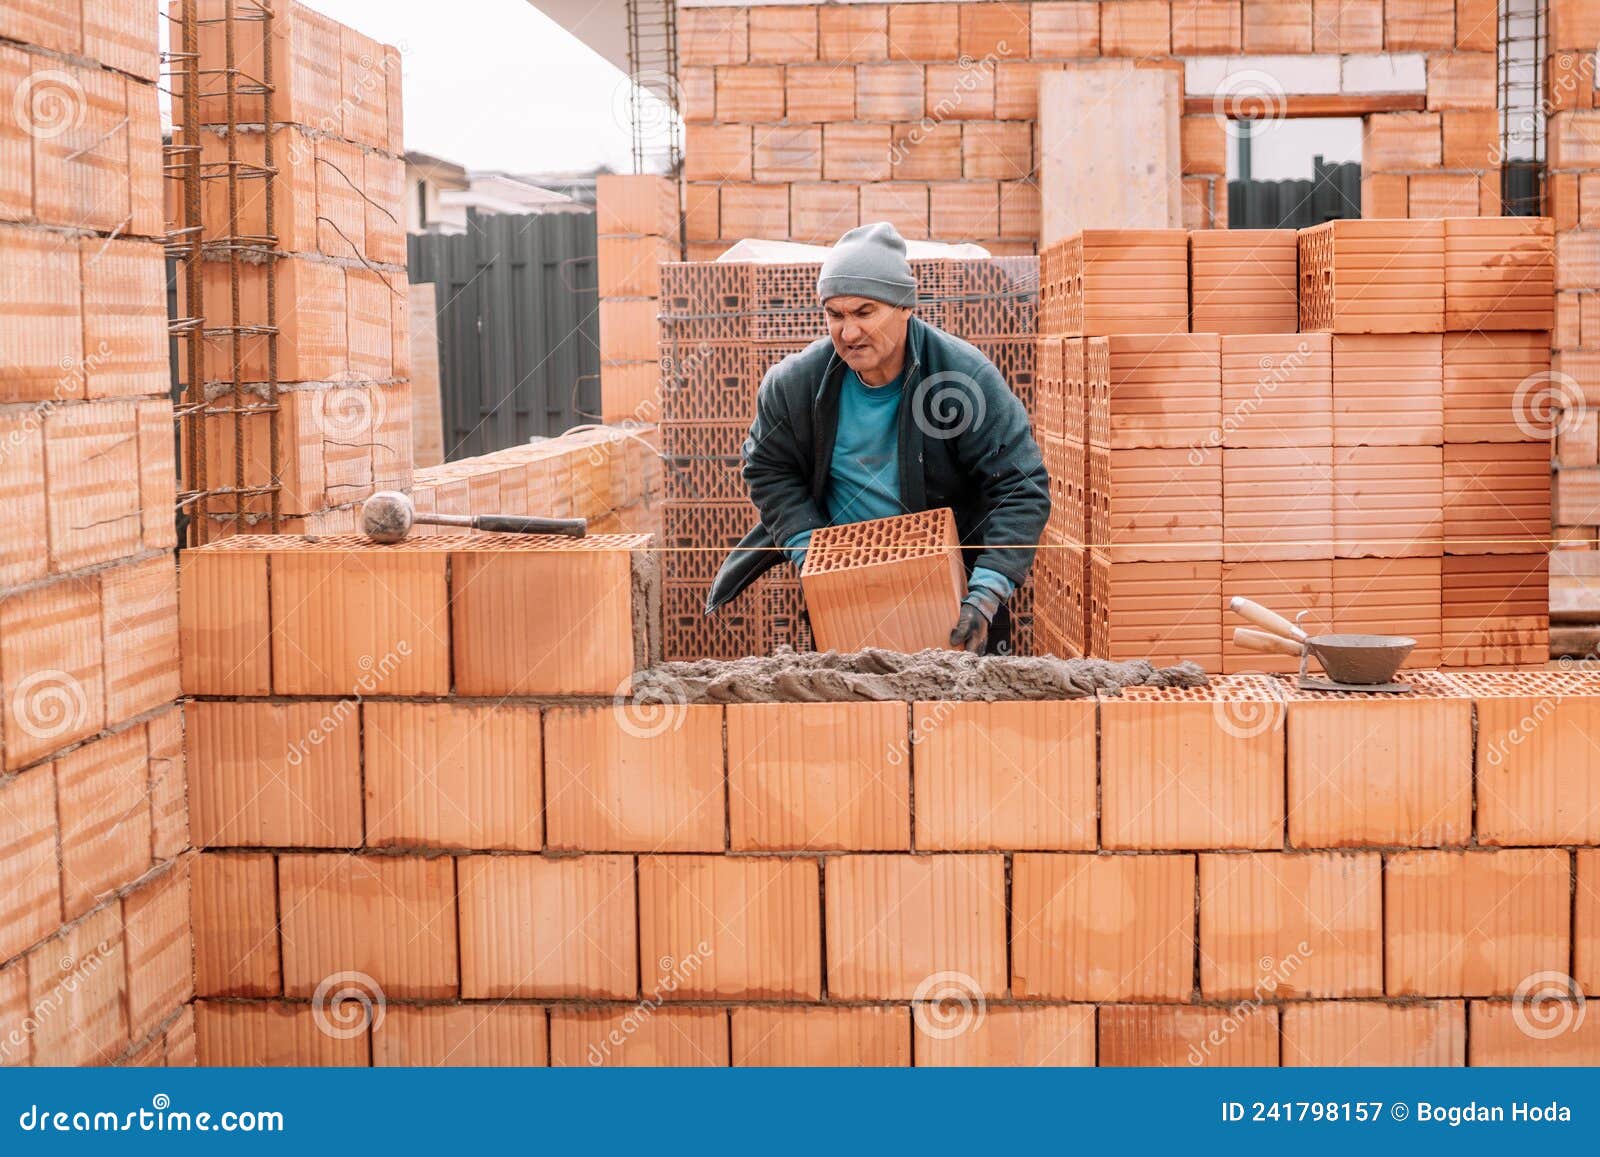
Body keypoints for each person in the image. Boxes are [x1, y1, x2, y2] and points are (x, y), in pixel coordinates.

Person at [705, 222, 1050, 654]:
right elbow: (768, 469)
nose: (848, 333)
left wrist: (984, 596)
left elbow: (1021, 488)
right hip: (845, 597)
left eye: (865, 312)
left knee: (953, 713)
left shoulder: (961, 379)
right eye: (835, 315)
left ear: (905, 306)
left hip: (951, 596)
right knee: (855, 715)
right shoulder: (794, 386)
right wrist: (810, 553)